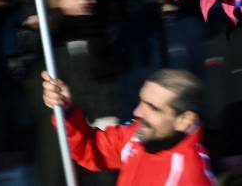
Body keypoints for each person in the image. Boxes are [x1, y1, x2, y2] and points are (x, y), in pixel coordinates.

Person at [42, 68, 215, 185]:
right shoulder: (139, 135)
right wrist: (67, 110)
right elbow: (92, 148)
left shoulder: (189, 177)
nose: (137, 112)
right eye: (141, 101)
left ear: (185, 120)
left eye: (153, 108)